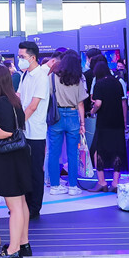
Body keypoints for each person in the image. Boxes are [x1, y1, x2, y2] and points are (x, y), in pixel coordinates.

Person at [0, 64, 33, 258]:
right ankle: (23, 243)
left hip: (8, 157)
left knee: (14, 206)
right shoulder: (13, 100)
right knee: (20, 203)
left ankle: (13, 250)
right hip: (18, 155)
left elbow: (7, 130)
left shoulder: (1, 102)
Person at [15, 40, 51, 217]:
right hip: (23, 131)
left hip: (35, 132)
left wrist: (18, 124)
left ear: (33, 57)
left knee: (35, 170)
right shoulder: (24, 76)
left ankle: (34, 207)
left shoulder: (41, 77)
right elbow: (19, 97)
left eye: (22, 56)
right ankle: (25, 205)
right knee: (24, 170)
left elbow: (33, 106)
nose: (19, 60)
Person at [47, 50, 88, 196]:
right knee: (73, 153)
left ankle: (54, 186)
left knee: (53, 152)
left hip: (56, 116)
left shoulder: (52, 77)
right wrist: (82, 124)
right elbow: (81, 104)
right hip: (72, 115)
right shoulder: (78, 79)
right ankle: (72, 186)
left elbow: (48, 96)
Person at [88, 60, 128, 193]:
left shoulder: (99, 84)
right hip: (117, 122)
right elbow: (123, 103)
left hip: (104, 122)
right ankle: (115, 183)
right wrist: (124, 121)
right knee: (118, 151)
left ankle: (102, 182)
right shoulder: (117, 83)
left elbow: (98, 103)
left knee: (99, 151)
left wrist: (92, 111)